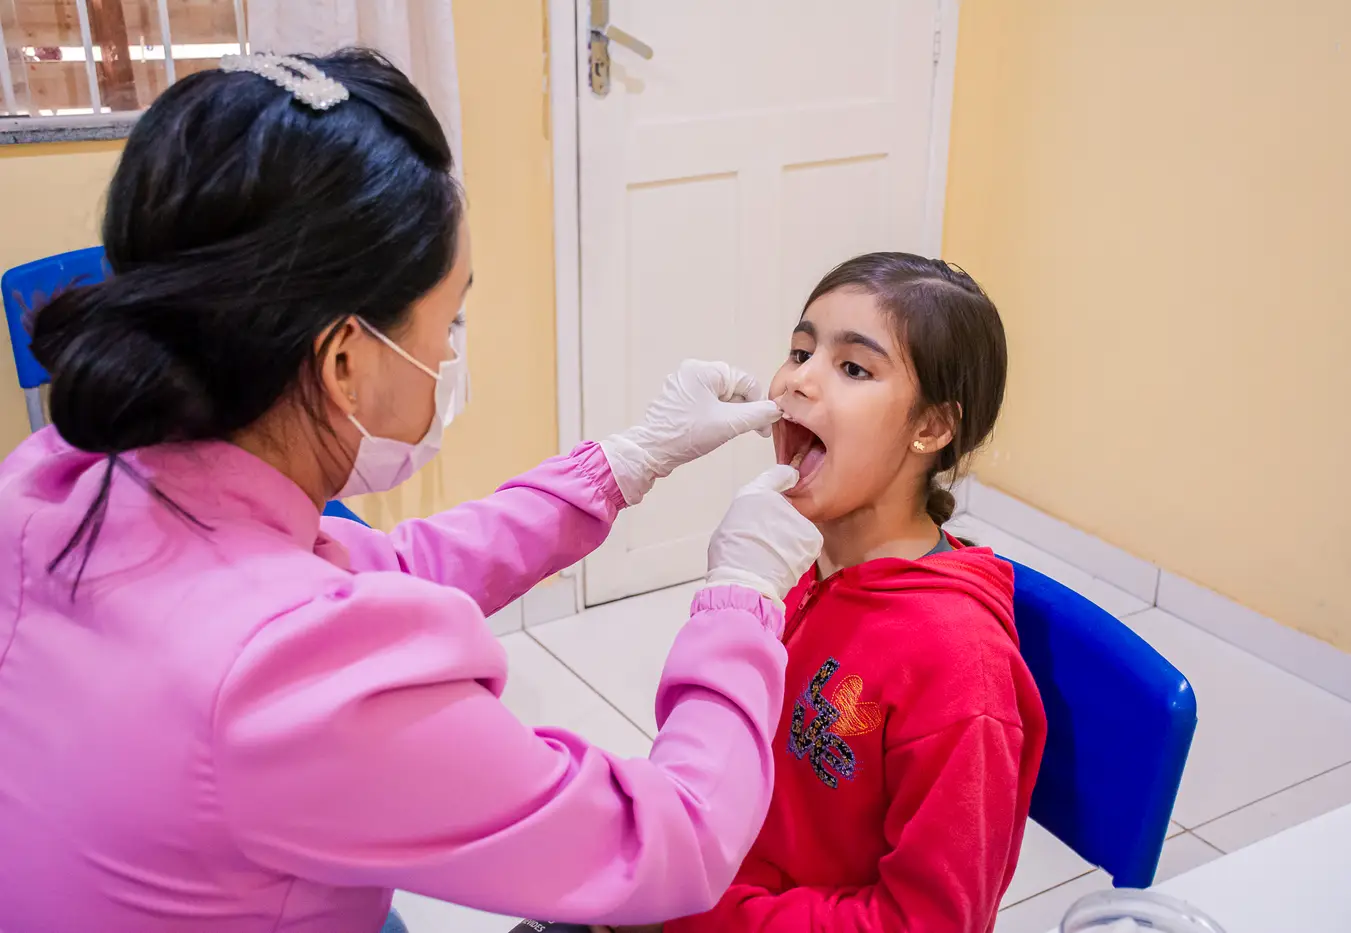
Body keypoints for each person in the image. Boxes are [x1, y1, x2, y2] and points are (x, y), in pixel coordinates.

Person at [0, 50, 822, 933]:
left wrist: (621, 464)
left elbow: (377, 570)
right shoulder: (288, 680)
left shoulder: (52, 477)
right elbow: (670, 842)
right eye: (449, 319)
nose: (450, 353)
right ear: (344, 360)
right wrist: (741, 600)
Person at [661, 253, 1049, 932]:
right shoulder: (793, 567)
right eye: (800, 351)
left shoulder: (960, 666)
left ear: (931, 427)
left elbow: (928, 921)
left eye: (853, 368)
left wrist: (702, 915)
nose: (797, 381)